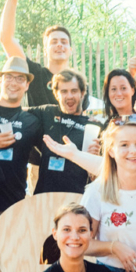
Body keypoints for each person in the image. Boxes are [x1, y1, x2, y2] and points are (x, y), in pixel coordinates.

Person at [46, 116, 136, 272]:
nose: (133, 151)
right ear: (111, 151)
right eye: (124, 145)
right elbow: (82, 242)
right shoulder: (96, 191)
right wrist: (114, 247)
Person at [0, 56, 45, 213]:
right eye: (9, 77)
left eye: (20, 79)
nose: (13, 83)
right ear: (0, 81)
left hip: (13, 208)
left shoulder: (31, 121)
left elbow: (49, 154)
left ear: (27, 85)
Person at [0, 0, 75, 107]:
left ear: (70, 50)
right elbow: (6, 39)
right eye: (53, 42)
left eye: (64, 42)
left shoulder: (78, 82)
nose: (59, 45)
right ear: (45, 50)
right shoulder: (34, 73)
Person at [30, 69, 101, 198]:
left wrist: (93, 157)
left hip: (78, 200)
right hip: (45, 199)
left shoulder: (94, 126)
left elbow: (104, 173)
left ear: (82, 93)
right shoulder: (47, 112)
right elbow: (14, 110)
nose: (69, 96)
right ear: (56, 94)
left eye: (74, 91)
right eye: (64, 91)